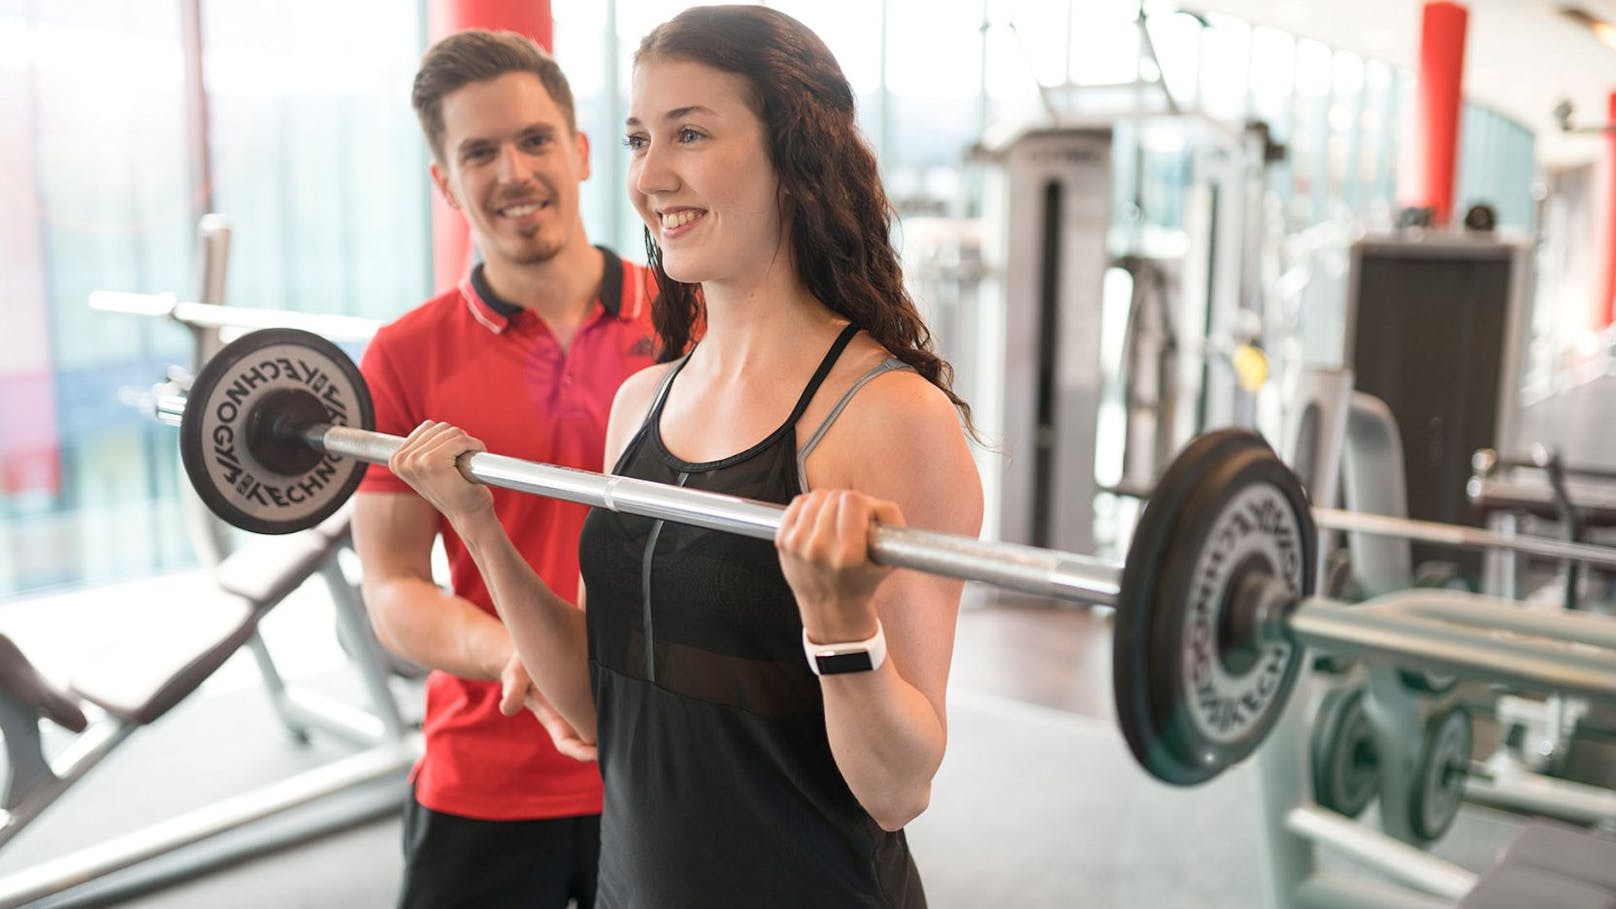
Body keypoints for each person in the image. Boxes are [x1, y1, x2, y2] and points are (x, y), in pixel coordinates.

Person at [390, 6, 982, 906]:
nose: (649, 177)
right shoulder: (645, 399)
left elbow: (897, 788)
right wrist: (476, 521)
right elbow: (594, 708)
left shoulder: (889, 415)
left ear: (796, 153)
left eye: (691, 133)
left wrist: (839, 626)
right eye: (638, 139)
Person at [351, 29, 657, 909]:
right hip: (486, 769)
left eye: (534, 140)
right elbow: (393, 586)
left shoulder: (690, 323)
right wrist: (521, 654)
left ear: (582, 151)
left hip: (662, 760)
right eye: (479, 152)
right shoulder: (405, 355)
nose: (514, 172)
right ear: (446, 183)